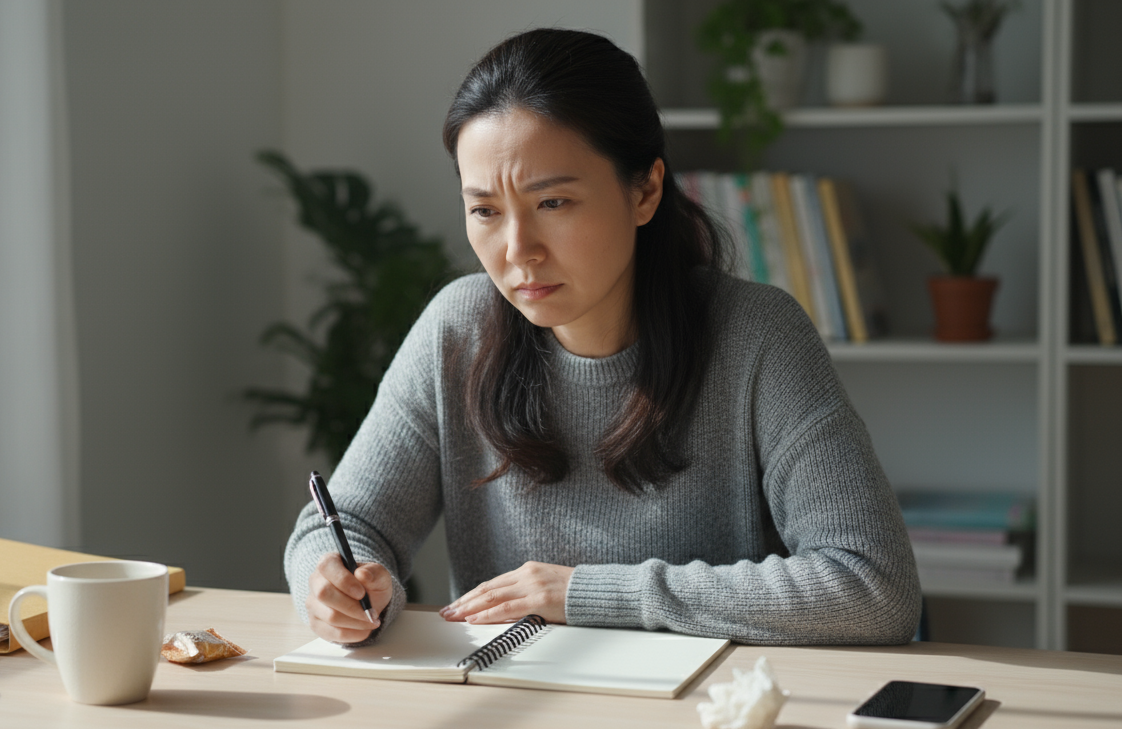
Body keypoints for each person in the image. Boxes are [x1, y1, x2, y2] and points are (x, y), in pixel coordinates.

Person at [284, 28, 920, 647]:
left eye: (553, 203)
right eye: (484, 210)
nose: (517, 251)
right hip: (510, 714)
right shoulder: (456, 329)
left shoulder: (757, 337)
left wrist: (588, 594)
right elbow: (344, 524)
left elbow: (873, 585)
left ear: (644, 190)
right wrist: (337, 585)